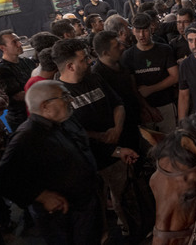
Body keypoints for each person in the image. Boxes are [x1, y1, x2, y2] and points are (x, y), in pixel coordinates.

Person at [0, 80, 103, 244]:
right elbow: (1, 181)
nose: (71, 100)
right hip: (62, 218)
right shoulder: (27, 137)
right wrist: (41, 196)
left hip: (85, 207)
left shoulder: (63, 122)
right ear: (45, 106)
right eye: (64, 96)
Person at [53, 39, 139, 236]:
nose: (90, 61)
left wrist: (117, 129)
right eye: (84, 59)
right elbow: (71, 132)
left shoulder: (95, 78)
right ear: (70, 66)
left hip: (116, 156)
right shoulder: (57, 94)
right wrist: (101, 137)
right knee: (94, 213)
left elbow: (118, 104)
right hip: (88, 163)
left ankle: (131, 231)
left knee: (125, 199)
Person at [122, 13, 179, 133]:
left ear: (151, 29)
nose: (141, 35)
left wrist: (151, 89)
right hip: (143, 110)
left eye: (145, 31)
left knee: (171, 143)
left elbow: (175, 77)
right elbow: (132, 87)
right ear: (133, 31)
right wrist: (145, 108)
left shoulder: (164, 49)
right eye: (138, 31)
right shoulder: (128, 55)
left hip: (166, 105)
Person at [0, 30, 37, 131]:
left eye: (19, 40)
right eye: (14, 42)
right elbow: (17, 96)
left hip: (37, 112)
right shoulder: (1, 69)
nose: (19, 44)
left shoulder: (27, 62)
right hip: (22, 118)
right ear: (2, 48)